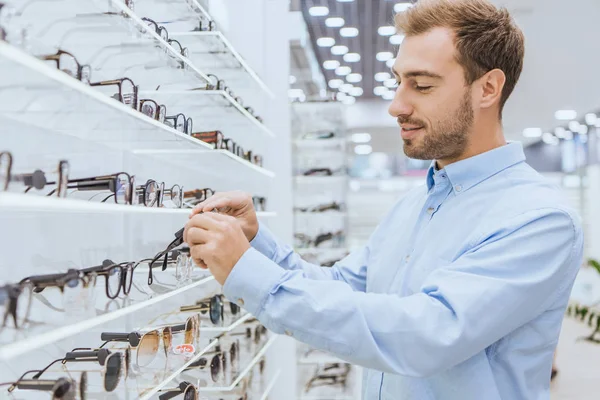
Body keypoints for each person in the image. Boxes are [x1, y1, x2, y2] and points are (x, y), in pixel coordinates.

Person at [183, 0, 583, 398]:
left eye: (422, 85)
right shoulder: (415, 205)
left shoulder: (538, 219)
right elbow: (343, 287)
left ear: (488, 88)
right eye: (398, 81)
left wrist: (249, 273)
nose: (396, 105)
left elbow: (424, 335)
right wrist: (256, 244)